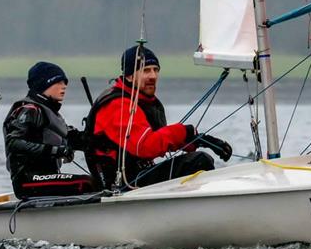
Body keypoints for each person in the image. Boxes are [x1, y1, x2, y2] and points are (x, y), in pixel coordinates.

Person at [85, 45, 233, 189]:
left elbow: (160, 139)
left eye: (156, 70)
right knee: (198, 161)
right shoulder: (119, 105)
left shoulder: (142, 101)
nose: (153, 76)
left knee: (198, 158)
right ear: (129, 76)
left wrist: (199, 140)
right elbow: (144, 146)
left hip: (138, 176)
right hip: (121, 184)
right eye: (146, 70)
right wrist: (184, 131)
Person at [3, 61, 97, 199]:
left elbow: (78, 140)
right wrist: (57, 151)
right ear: (43, 85)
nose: (64, 86)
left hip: (46, 178)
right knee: (88, 183)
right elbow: (13, 143)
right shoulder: (28, 110)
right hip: (28, 181)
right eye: (58, 82)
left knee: (100, 181)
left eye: (65, 82)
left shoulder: (51, 114)